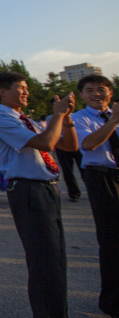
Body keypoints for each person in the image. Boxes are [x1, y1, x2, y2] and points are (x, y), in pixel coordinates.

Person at [0, 71, 77, 318]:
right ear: (3, 92)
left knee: (56, 258)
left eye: (26, 87)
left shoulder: (25, 119)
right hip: (28, 192)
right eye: (21, 88)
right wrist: (58, 114)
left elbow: (69, 146)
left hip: (46, 190)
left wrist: (66, 119)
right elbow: (46, 144)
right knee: (44, 261)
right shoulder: (1, 119)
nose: (26, 92)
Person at [72, 74, 119, 317]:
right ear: (82, 95)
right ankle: (112, 300)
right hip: (102, 177)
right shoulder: (79, 118)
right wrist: (113, 122)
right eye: (90, 90)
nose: (96, 93)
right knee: (112, 240)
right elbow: (89, 145)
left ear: (110, 92)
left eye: (101, 89)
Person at [47, 98, 85, 202]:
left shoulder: (76, 116)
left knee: (84, 169)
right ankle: (74, 193)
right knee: (67, 171)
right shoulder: (50, 118)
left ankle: (92, 190)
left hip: (76, 146)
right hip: (61, 147)